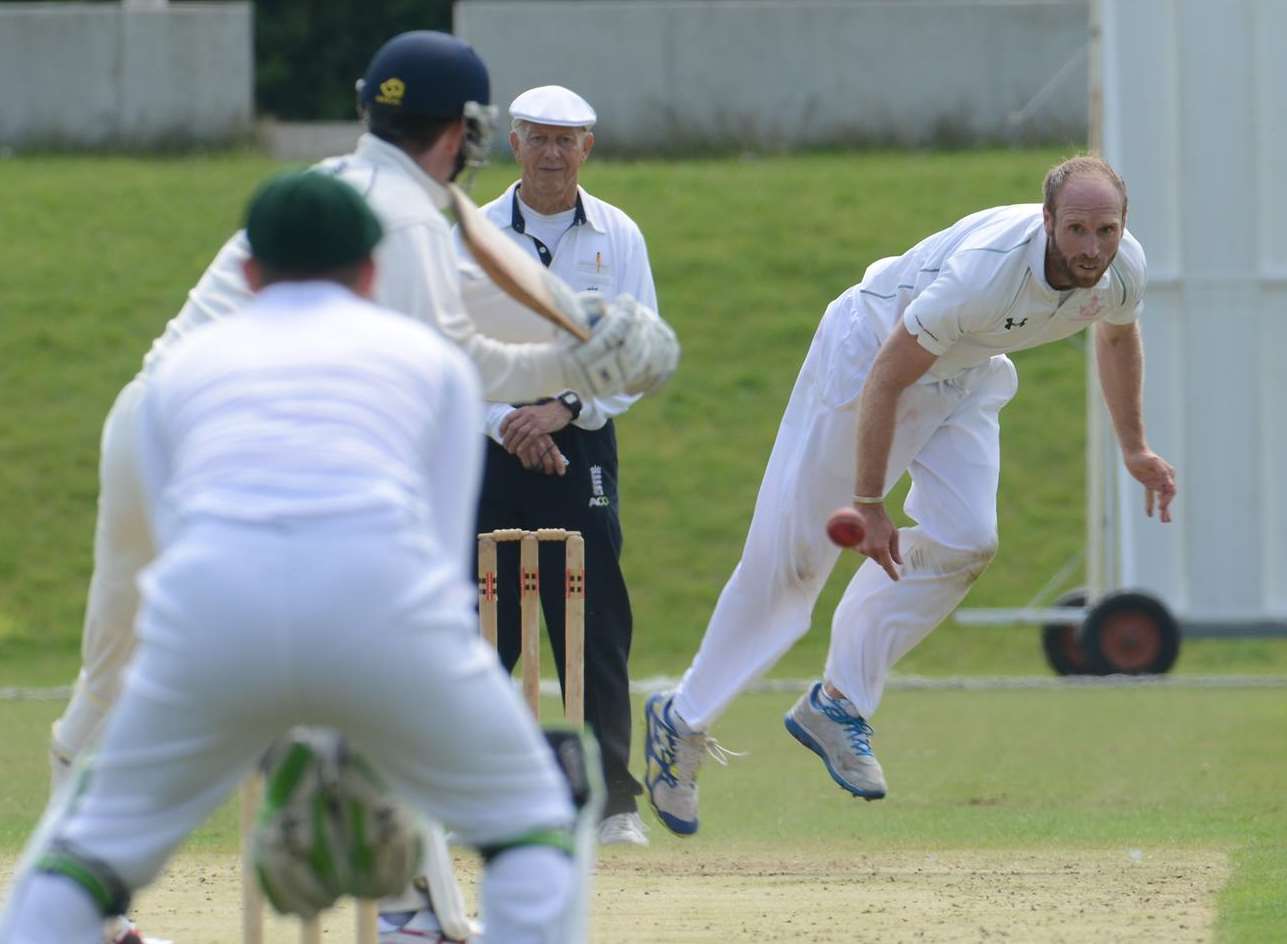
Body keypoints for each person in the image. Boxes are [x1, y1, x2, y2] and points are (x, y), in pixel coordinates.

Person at [44, 31, 676, 944]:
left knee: (118, 671)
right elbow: (448, 359)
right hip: (241, 441)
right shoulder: (413, 217)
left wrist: (577, 320)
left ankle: (84, 895)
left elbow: (484, 263)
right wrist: (575, 352)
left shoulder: (371, 185)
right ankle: (415, 893)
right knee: (372, 653)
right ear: (468, 131)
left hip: (154, 414)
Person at [2, 171, 593, 944]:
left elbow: (182, 546)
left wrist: (271, 726)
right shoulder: (430, 361)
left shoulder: (179, 368)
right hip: (386, 606)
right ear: (372, 271)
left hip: (212, 615)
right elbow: (438, 543)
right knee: (534, 823)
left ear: (248, 275)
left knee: (80, 860)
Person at [642, 156, 1177, 836]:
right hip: (868, 356)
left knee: (966, 539)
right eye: (1075, 229)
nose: (1091, 248)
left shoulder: (1122, 266)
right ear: (1045, 221)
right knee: (794, 567)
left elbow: (1118, 334)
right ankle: (681, 719)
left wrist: (1132, 447)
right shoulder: (984, 274)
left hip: (964, 369)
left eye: (1105, 230)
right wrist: (868, 503)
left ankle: (836, 703)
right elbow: (886, 377)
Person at [460, 85, 656, 847]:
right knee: (489, 626)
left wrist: (563, 410)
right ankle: (472, 800)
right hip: (493, 441)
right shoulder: (472, 233)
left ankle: (613, 806)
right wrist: (507, 418)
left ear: (587, 148)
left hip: (582, 439)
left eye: (564, 140)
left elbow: (637, 346)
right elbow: (451, 341)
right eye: (536, 137)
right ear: (513, 143)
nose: (550, 152)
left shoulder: (618, 234)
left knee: (597, 621)